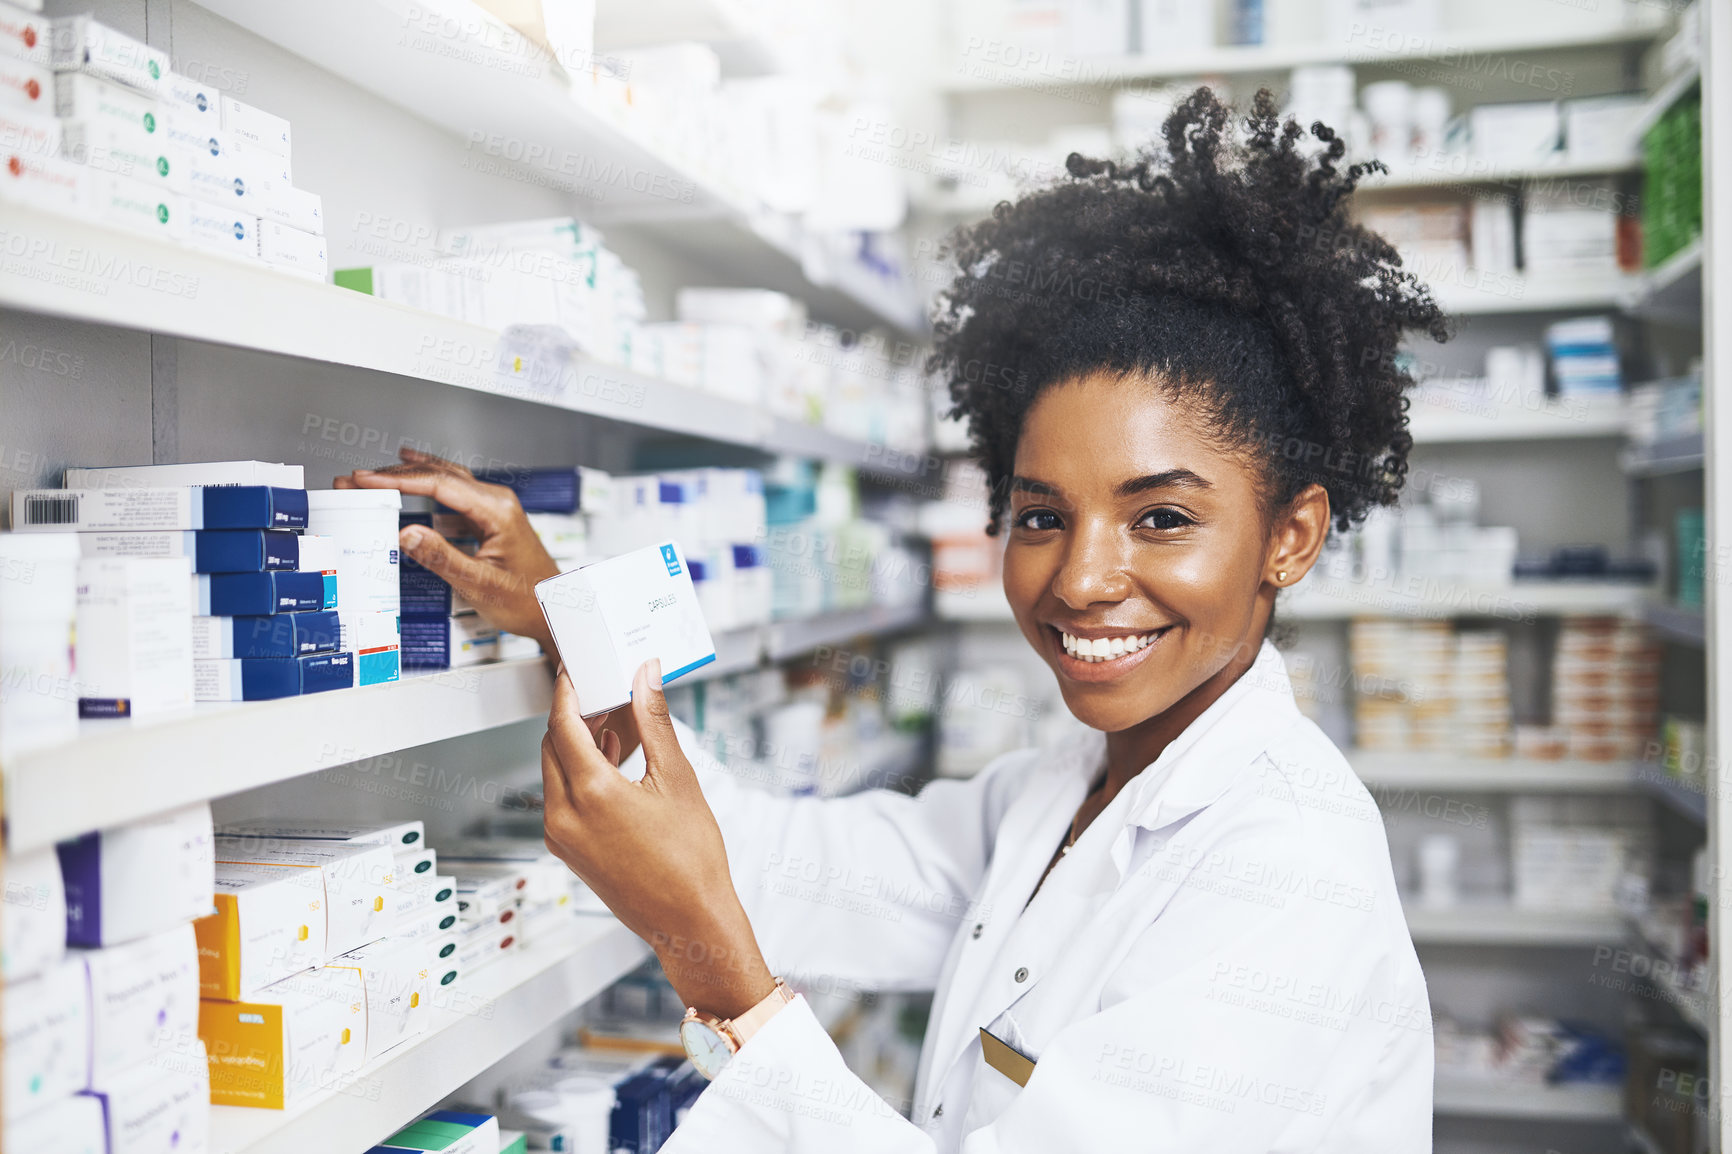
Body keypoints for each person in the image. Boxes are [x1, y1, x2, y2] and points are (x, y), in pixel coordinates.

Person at [341, 88, 1447, 1152]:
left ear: (1291, 536)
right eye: (1039, 515)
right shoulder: (1063, 790)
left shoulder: (1290, 874)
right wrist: (561, 612)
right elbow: (790, 864)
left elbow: (730, 903)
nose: (1082, 579)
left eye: (1160, 516)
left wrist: (714, 967)